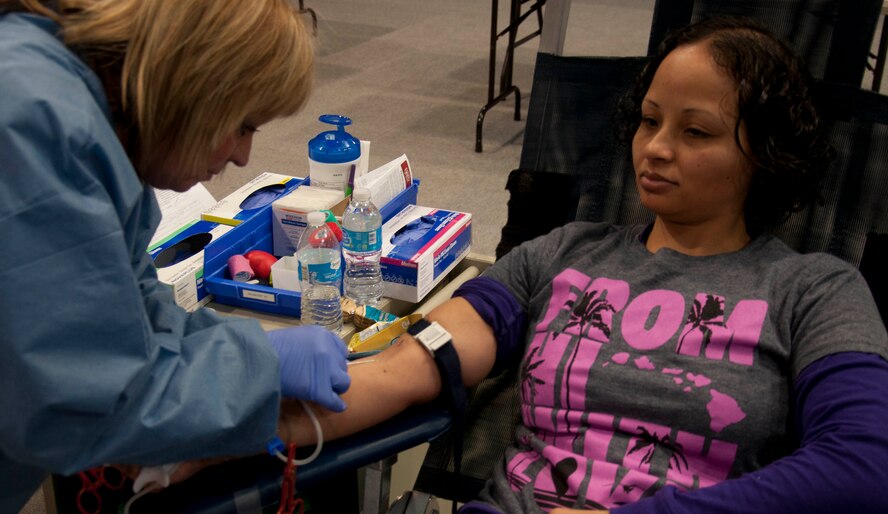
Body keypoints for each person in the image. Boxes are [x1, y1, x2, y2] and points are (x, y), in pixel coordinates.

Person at [261, 16, 888, 514]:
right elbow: (409, 367)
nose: (656, 148)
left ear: (766, 154)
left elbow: (864, 468)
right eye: (648, 120)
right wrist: (223, 430)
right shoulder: (560, 254)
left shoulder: (817, 292)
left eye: (696, 132)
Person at [0, 1, 352, 511]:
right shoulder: (34, 128)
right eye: (243, 125)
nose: (242, 156)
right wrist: (261, 366)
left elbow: (129, 311)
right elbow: (87, 401)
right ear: (196, 86)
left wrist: (245, 349)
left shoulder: (94, 119)